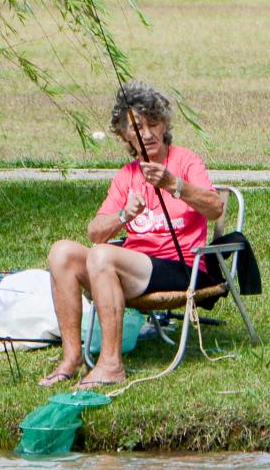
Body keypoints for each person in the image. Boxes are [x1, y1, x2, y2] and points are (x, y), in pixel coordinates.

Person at [40, 82, 226, 389]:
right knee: (62, 252)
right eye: (138, 127)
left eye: (154, 124)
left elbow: (215, 208)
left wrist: (174, 184)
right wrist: (125, 214)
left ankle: (111, 365)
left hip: (180, 266)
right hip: (134, 265)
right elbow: (96, 232)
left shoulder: (186, 161)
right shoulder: (127, 175)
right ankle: (71, 359)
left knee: (102, 255)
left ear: (165, 125)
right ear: (125, 134)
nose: (149, 133)